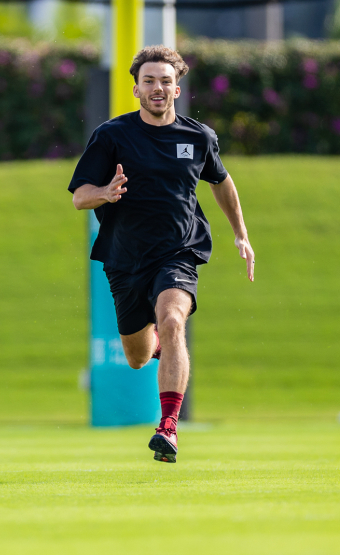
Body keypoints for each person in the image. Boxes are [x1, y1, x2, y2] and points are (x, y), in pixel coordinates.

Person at [68, 46, 254, 463]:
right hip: (125, 258)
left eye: (165, 81)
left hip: (179, 252)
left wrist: (241, 234)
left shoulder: (198, 137)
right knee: (136, 358)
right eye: (149, 80)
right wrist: (105, 192)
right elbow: (80, 197)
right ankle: (156, 347)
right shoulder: (111, 136)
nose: (158, 88)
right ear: (136, 89)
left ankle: (168, 427)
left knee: (172, 322)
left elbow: (222, 182)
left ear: (177, 88)